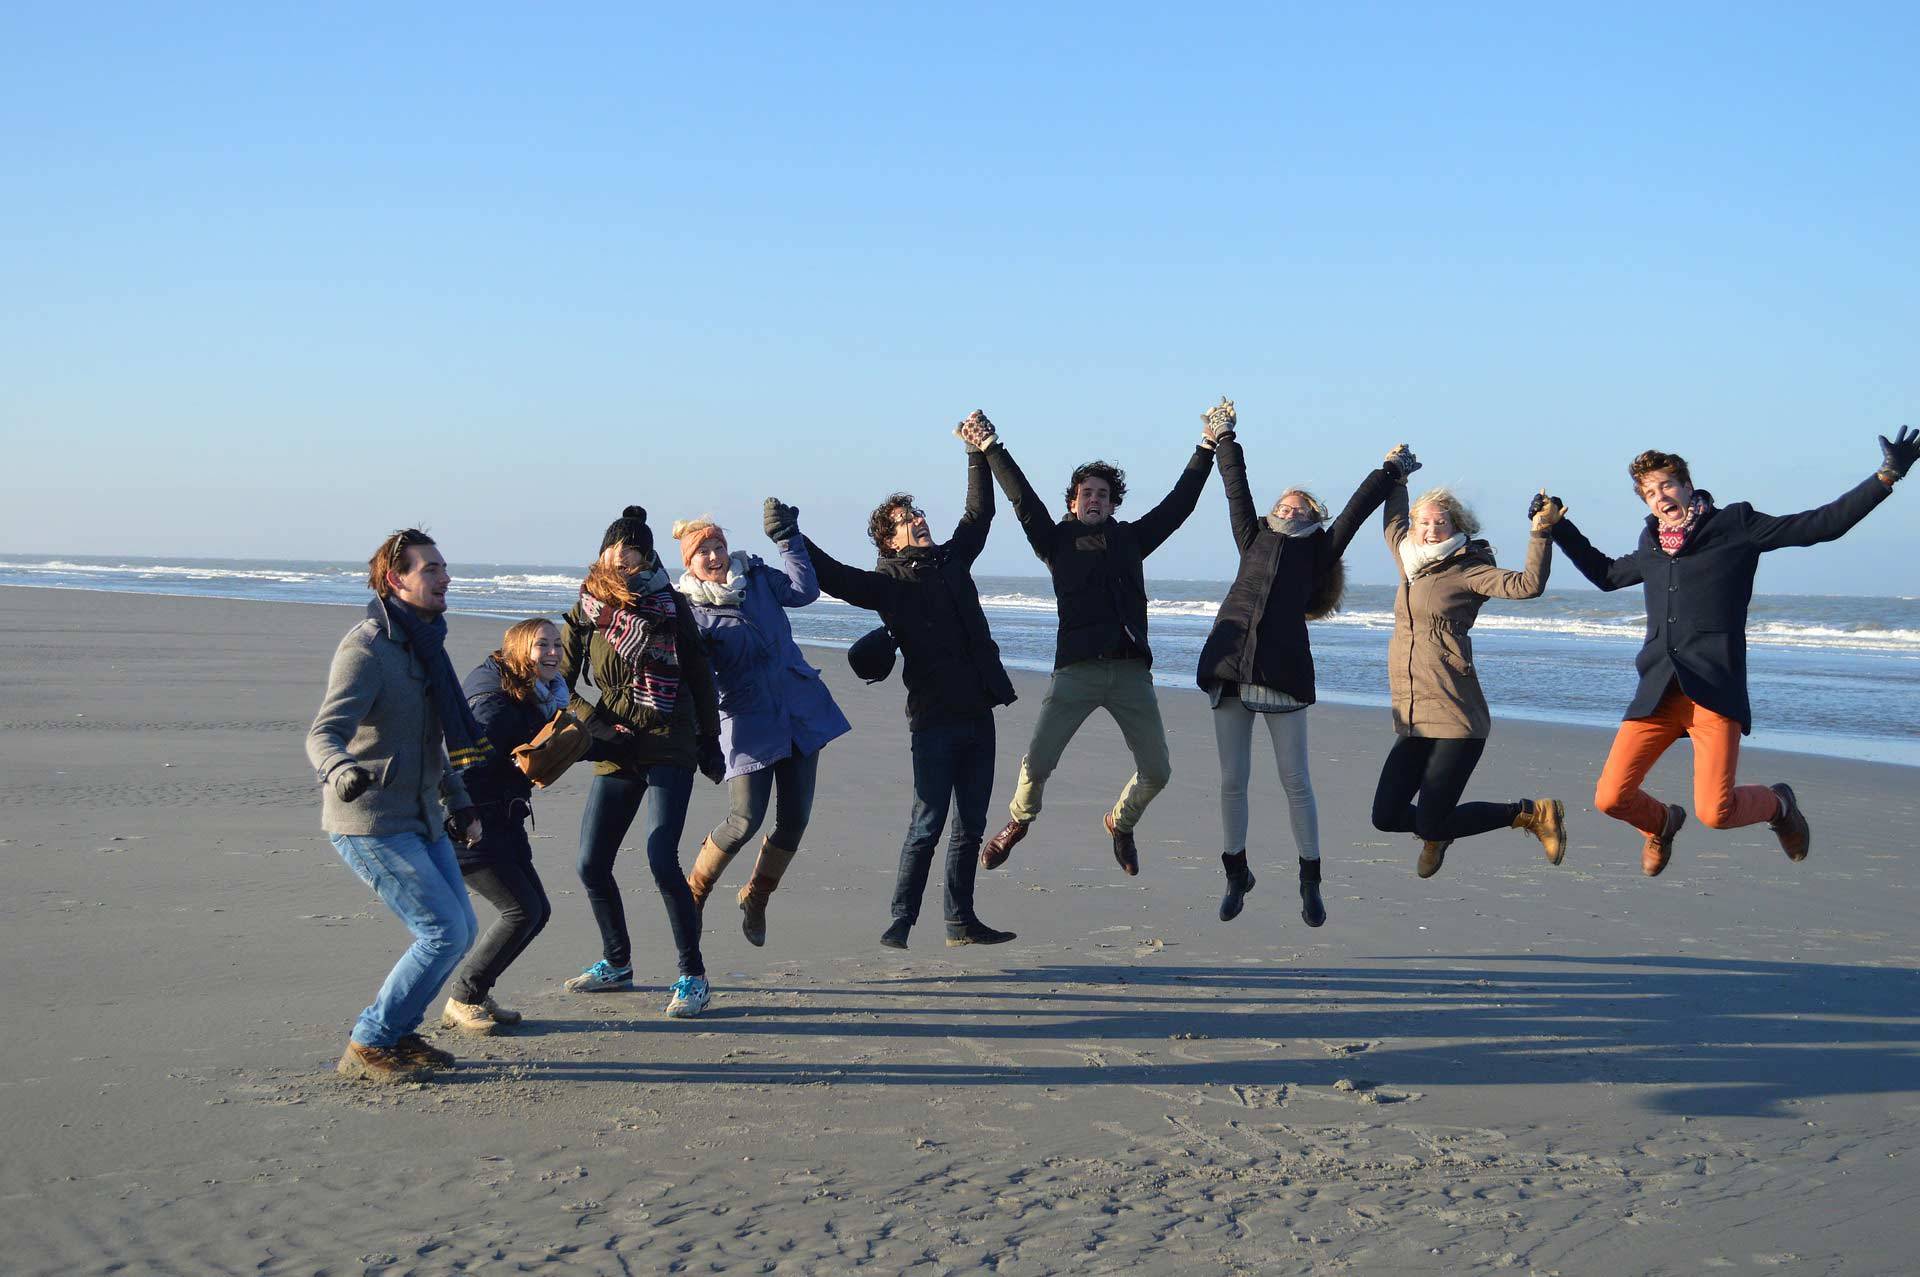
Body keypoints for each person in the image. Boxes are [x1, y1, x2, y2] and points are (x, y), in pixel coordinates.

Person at [1543, 427, 1916, 875]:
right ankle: (1661, 822)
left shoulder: (1735, 525)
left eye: (1666, 485)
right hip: (1658, 691)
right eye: (1648, 493)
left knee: (1716, 813)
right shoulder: (1651, 544)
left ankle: (1779, 804)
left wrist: (1886, 477)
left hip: (1712, 692)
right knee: (1610, 798)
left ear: (1686, 485)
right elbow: (1605, 574)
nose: (1659, 497)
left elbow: (1821, 525)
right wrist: (1559, 527)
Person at [802, 411, 1019, 950]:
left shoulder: (952, 560)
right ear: (889, 539)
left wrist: (976, 454)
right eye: (905, 519)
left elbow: (980, 513)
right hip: (933, 719)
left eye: (918, 513)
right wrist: (791, 535)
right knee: (928, 823)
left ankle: (960, 922)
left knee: (970, 826)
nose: (917, 520)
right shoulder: (888, 585)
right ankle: (900, 921)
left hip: (979, 711)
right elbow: (833, 576)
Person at [977, 409, 1220, 876]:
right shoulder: (1054, 541)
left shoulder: (1131, 539)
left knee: (1158, 771)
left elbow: (1179, 504)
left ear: (1113, 505)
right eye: (1086, 493)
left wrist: (1205, 449)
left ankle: (1120, 823)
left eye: (1103, 495)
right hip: (1076, 672)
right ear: (1073, 502)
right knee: (1037, 762)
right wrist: (991, 448)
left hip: (1130, 672)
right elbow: (1022, 498)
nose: (1094, 499)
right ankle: (1018, 821)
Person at [1194, 399, 1404, 927]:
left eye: (1300, 508)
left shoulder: (1320, 551)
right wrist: (1225, 436)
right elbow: (1235, 489)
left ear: (1315, 518)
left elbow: (1355, 510)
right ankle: (1235, 872)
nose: (1289, 511)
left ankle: (1310, 881)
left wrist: (1389, 471)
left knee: (1296, 780)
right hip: (1230, 668)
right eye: (1283, 506)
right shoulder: (1253, 537)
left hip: (1283, 674)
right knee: (1231, 781)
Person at [306, 529, 485, 1083]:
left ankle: (400, 1034)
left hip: (424, 817)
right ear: (395, 579)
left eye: (443, 567)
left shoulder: (426, 644)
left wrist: (459, 802)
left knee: (461, 928)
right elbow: (322, 734)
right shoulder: (366, 648)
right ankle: (370, 1042)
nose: (444, 577)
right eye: (429, 569)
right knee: (442, 931)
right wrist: (342, 773)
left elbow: (434, 741)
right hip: (369, 819)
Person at [557, 506, 724, 1018]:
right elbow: (559, 682)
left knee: (659, 857)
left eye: (631, 553)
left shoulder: (671, 606)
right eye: (614, 553)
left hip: (670, 738)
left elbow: (698, 676)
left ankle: (692, 976)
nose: (621, 562)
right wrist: (597, 724)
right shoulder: (588, 607)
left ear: (647, 555)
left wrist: (710, 742)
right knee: (590, 862)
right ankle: (617, 963)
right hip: (615, 742)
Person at [1370, 461, 1569, 878]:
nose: (1428, 530)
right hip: (1412, 718)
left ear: (1455, 525)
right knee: (1386, 816)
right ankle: (1437, 833)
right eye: (1422, 522)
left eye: (1439, 523)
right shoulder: (1408, 559)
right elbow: (1391, 521)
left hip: (1456, 716)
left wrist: (1541, 533)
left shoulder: (1469, 570)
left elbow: (1527, 585)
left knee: (1430, 820)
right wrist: (1397, 477)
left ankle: (1530, 814)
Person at [675, 499, 851, 947]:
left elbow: (804, 591)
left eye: (718, 545)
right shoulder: (690, 613)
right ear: (691, 563)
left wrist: (787, 539)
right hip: (748, 722)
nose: (714, 556)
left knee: (794, 820)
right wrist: (702, 737)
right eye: (703, 551)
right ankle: (694, 893)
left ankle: (756, 897)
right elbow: (694, 678)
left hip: (798, 710)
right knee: (744, 820)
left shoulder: (756, 577)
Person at [438, 618, 568, 1034]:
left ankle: (477, 989)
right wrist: (462, 815)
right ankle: (463, 996)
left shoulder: (535, 693)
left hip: (504, 818)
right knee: (521, 910)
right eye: (542, 645)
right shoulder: (493, 700)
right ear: (518, 651)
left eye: (557, 644)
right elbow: (466, 762)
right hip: (473, 824)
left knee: (537, 911)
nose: (552, 652)